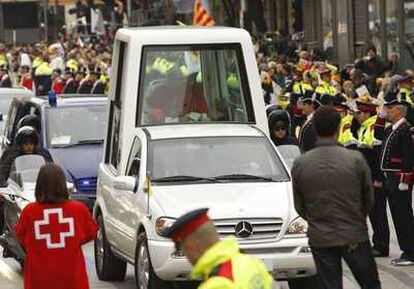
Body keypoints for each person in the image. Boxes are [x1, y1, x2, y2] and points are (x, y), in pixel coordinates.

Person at [292, 107, 381, 289]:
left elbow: (299, 205)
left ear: (315, 129)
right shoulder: (355, 159)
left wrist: (316, 219)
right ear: (339, 129)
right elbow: (368, 198)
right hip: (353, 233)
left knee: (329, 284)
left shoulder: (301, 163)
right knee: (369, 283)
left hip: (321, 235)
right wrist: (356, 217)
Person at [15, 163, 98, 289]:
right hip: (72, 278)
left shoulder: (29, 212)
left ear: (39, 185)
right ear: (62, 184)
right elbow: (91, 232)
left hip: (39, 279)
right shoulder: (78, 210)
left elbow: (21, 236)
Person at [162, 208, 272, 289]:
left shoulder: (216, 284)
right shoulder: (250, 262)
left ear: (191, 246)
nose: (187, 257)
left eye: (183, 249)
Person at [374, 91, 414, 266]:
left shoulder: (406, 130)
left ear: (398, 111)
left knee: (404, 215)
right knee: (397, 216)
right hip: (389, 177)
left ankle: (411, 252)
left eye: (389, 109)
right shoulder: (392, 128)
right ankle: (406, 250)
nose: (387, 112)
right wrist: (381, 116)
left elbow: (409, 157)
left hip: (399, 179)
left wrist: (405, 180)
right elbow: (376, 135)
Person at [351, 100, 389, 257]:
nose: (357, 116)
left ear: (367, 113)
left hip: (375, 178)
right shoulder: (365, 126)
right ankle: (377, 242)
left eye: (359, 113)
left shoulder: (374, 127)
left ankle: (382, 245)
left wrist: (378, 178)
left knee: (378, 213)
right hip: (367, 176)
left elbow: (378, 156)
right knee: (372, 213)